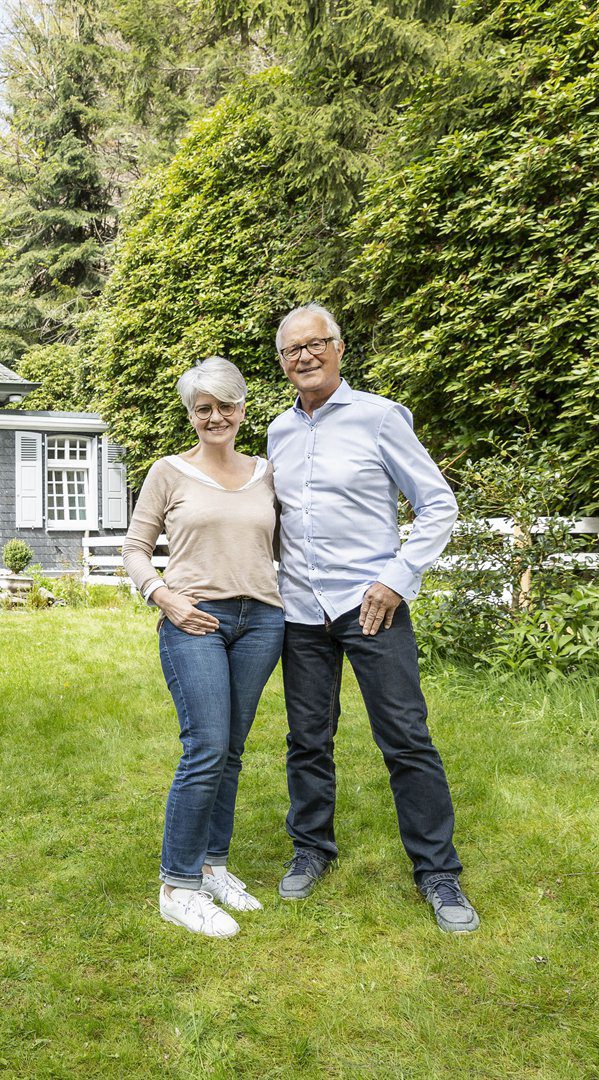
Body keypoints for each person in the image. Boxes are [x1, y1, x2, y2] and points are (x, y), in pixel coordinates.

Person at [266, 302, 479, 933]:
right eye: (291, 350)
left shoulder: (380, 418)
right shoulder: (277, 432)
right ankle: (312, 849)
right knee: (307, 739)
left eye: (315, 344)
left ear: (338, 348)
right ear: (282, 363)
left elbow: (438, 505)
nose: (304, 356)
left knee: (405, 738)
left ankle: (438, 872)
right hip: (302, 611)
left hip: (372, 608)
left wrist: (395, 578)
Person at [123, 357, 285, 939]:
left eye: (226, 405)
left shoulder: (268, 472)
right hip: (196, 619)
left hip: (264, 621)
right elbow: (135, 549)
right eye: (203, 408)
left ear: (243, 408)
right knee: (206, 745)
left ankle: (213, 865)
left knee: (232, 749)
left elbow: (291, 545)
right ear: (191, 414)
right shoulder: (168, 472)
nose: (216, 416)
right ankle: (177, 885)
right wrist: (162, 597)